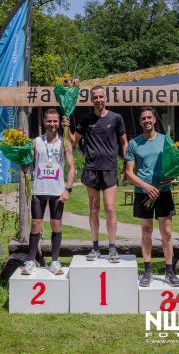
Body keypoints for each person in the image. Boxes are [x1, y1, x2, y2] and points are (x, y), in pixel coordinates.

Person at [64, 85, 128, 263]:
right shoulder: (86, 119)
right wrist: (67, 127)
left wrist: (126, 164)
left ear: (105, 98)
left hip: (109, 168)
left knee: (109, 208)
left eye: (101, 96)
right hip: (91, 169)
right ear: (91, 100)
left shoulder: (116, 118)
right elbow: (73, 141)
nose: (99, 100)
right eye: (96, 97)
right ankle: (95, 247)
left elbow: (124, 142)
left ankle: (113, 248)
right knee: (93, 209)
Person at [125, 107, 179, 287]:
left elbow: (174, 166)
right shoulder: (134, 144)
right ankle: (147, 271)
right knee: (146, 232)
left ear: (154, 120)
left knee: (166, 232)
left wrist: (172, 176)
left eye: (149, 117)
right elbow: (129, 173)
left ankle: (169, 271)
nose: (147, 120)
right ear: (140, 122)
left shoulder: (166, 140)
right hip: (143, 194)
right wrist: (147, 187)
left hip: (163, 193)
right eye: (143, 118)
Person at [21, 108, 75, 275]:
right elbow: (27, 161)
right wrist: (22, 158)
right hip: (39, 190)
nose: (52, 124)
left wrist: (68, 189)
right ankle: (30, 262)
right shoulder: (36, 141)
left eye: (55, 121)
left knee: (56, 225)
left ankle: (55, 261)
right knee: (36, 225)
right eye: (49, 121)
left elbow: (72, 168)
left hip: (57, 191)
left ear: (59, 123)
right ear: (44, 122)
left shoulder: (64, 142)